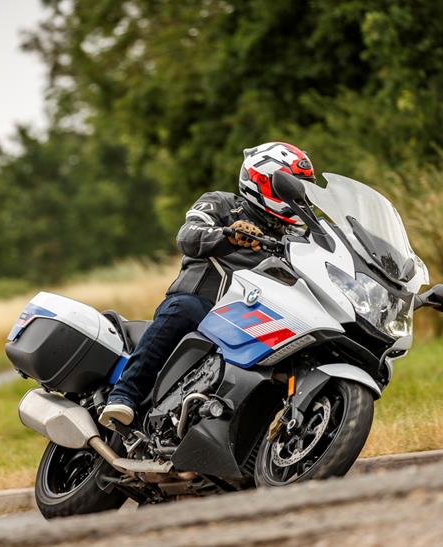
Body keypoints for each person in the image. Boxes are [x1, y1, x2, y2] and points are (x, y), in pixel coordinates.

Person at [99, 142, 317, 428]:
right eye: (293, 187)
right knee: (183, 308)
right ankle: (124, 394)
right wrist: (227, 235)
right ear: (263, 180)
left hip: (253, 319)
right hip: (204, 306)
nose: (298, 195)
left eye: (303, 188)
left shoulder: (296, 236)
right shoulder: (223, 204)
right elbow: (188, 235)